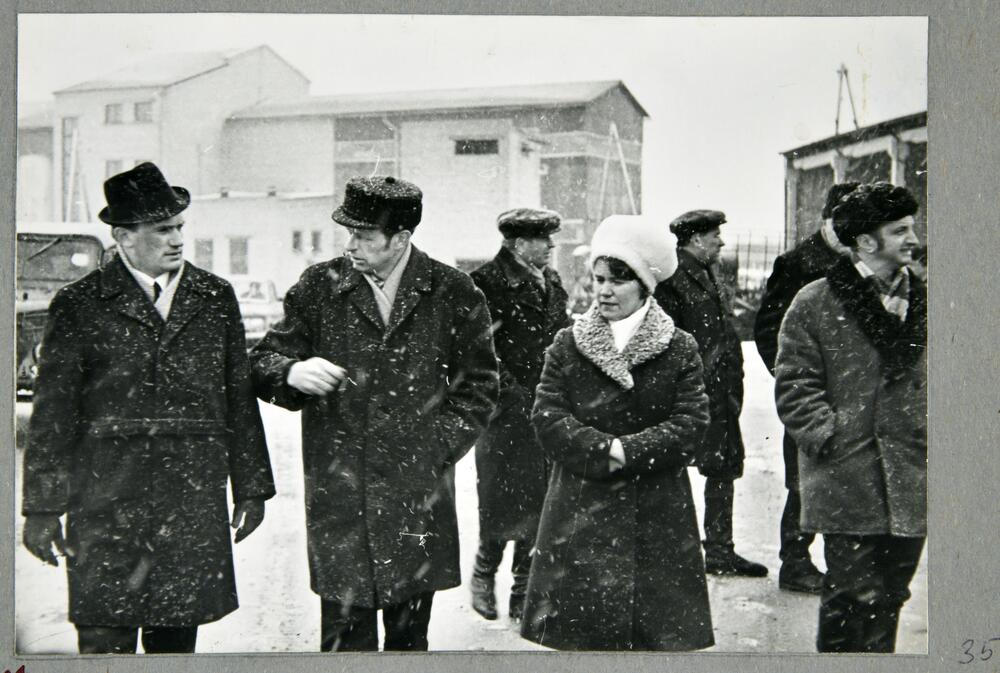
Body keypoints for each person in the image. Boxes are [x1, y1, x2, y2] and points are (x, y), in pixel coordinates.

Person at [21, 162, 275, 654]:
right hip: (106, 503)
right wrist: (43, 508)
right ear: (123, 237)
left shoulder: (214, 298)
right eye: (162, 230)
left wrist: (252, 488)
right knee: (104, 645)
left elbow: (238, 400)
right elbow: (53, 415)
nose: (177, 239)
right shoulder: (80, 304)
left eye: (179, 226)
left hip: (190, 503)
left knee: (175, 645)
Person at [250, 175, 499, 652]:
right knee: (344, 643)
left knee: (409, 640)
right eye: (349, 234)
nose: (350, 246)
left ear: (400, 239)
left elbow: (480, 387)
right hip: (341, 493)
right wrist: (292, 371)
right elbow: (262, 360)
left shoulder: (452, 291)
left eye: (364, 236)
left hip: (415, 499)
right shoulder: (319, 287)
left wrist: (433, 447)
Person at [521, 215, 713, 651]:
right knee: (582, 643)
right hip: (580, 508)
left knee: (651, 644)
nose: (604, 290)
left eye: (619, 280)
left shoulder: (679, 347)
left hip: (657, 512)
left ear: (645, 286)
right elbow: (547, 416)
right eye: (599, 279)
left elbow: (691, 423)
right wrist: (603, 451)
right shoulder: (568, 344)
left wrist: (628, 451)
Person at [775, 182, 926, 652]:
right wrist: (830, 436)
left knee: (892, 595)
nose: (913, 238)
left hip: (911, 473)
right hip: (847, 476)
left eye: (912, 227)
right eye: (900, 230)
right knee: (851, 596)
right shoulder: (814, 302)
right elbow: (795, 385)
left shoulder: (930, 300)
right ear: (865, 241)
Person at [752, 181, 859, 593]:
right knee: (803, 481)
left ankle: (841, 566)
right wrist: (795, 380)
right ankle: (795, 562)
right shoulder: (796, 263)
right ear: (827, 219)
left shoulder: (857, 261)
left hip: (850, 396)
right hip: (811, 396)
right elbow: (768, 330)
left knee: (843, 481)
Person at [468, 208, 569, 622]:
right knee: (500, 500)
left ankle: (523, 590)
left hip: (547, 408)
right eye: (543, 239)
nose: (551, 246)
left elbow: (562, 338)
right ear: (519, 243)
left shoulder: (552, 282)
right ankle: (483, 573)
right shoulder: (485, 283)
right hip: (504, 413)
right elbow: (479, 352)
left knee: (541, 500)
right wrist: (516, 397)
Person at [654, 210, 767, 577]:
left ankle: (719, 550)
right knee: (671, 469)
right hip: (691, 392)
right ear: (696, 239)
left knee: (723, 467)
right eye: (715, 235)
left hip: (720, 391)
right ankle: (673, 552)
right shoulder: (672, 279)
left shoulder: (708, 273)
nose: (721, 241)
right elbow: (666, 342)